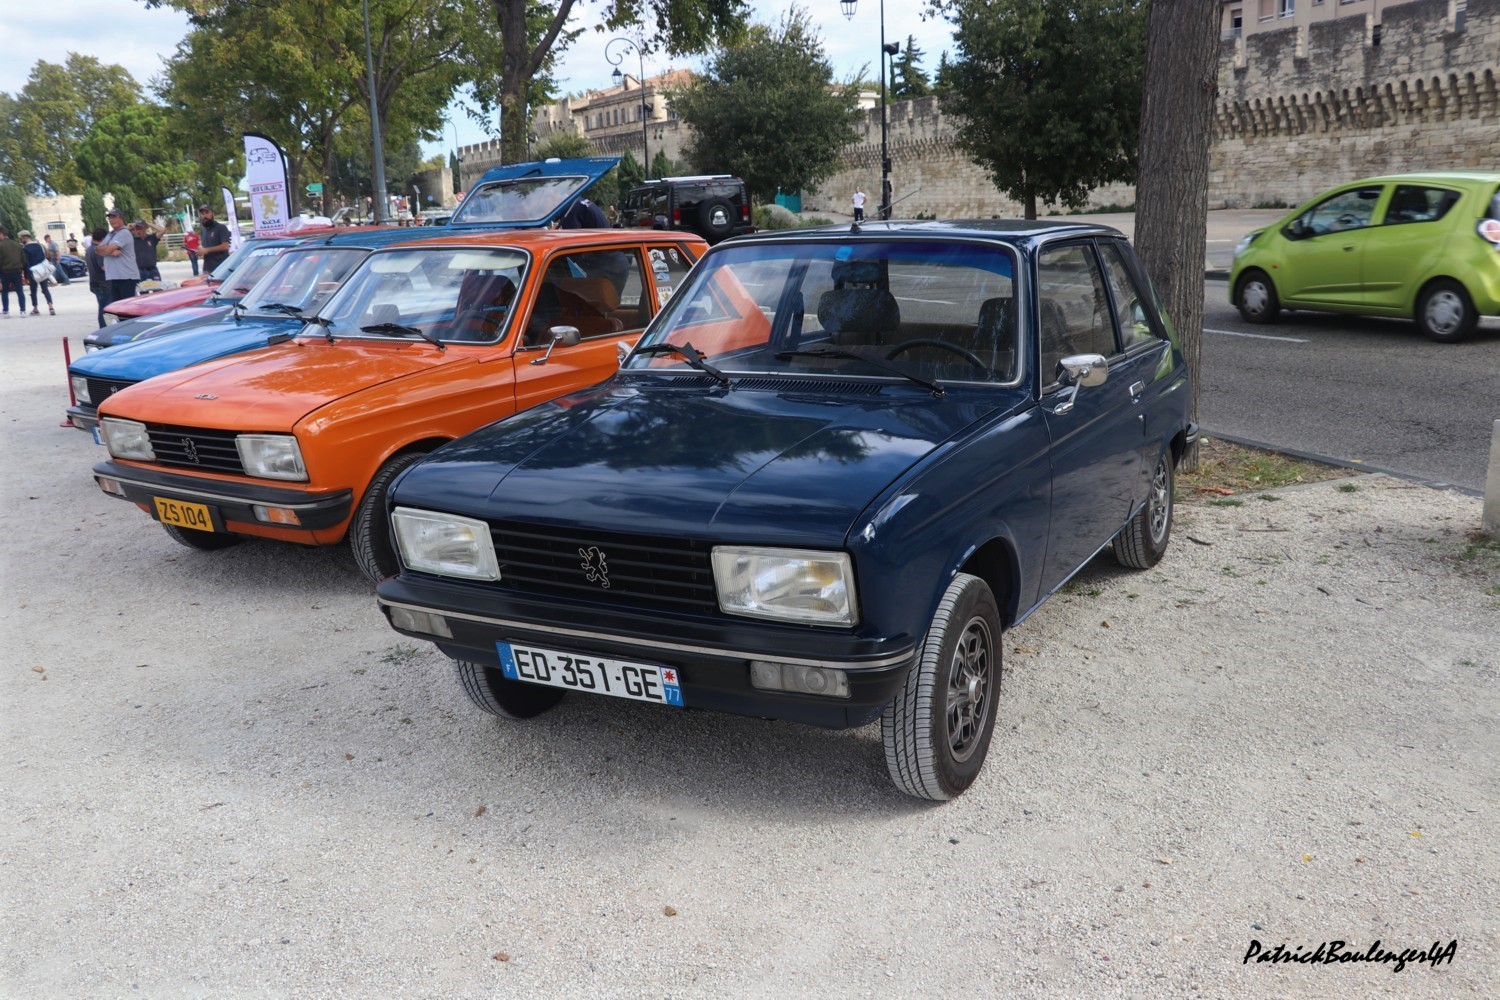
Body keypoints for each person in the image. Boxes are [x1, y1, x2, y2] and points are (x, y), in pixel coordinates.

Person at [94, 207, 139, 305]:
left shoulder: (123, 233)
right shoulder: (111, 234)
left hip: (126, 276)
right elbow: (97, 250)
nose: (111, 220)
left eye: (114, 217)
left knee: (128, 308)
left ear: (121, 218)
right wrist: (111, 252)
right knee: (117, 308)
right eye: (109, 218)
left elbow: (105, 249)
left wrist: (107, 250)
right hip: (114, 276)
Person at [19, 231, 55, 316]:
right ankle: (51, 307)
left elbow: (26, 262)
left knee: (33, 290)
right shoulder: (40, 245)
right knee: (45, 289)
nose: (21, 240)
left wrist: (26, 275)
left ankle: (35, 308)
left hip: (33, 271)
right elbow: (46, 256)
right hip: (43, 270)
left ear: (24, 237)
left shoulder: (25, 248)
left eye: (21, 238)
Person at [197, 205, 232, 274]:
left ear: (212, 213)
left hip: (221, 268)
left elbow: (225, 246)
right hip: (207, 268)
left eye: (207, 212)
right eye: (202, 214)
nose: (205, 216)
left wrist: (207, 250)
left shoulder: (221, 228)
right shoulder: (204, 230)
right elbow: (205, 248)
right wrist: (200, 251)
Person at [85, 226, 108, 328]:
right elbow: (104, 267)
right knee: (104, 308)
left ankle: (103, 328)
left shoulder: (89, 249)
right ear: (103, 238)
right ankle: (103, 329)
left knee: (101, 306)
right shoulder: (98, 250)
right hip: (102, 283)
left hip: (94, 282)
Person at [0, 228, 26, 318]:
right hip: (17, 271)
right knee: (19, 291)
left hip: (5, 272)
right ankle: (23, 311)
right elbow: (24, 259)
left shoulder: (0, 245)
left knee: (5, 291)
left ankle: (6, 311)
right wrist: (22, 269)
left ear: (1, 234)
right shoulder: (17, 244)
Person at [129, 218, 164, 282]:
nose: (138, 231)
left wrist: (148, 224)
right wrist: (129, 227)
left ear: (145, 228)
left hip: (153, 269)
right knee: (143, 290)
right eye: (137, 228)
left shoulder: (152, 238)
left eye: (140, 228)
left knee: (158, 289)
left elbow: (162, 230)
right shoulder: (133, 240)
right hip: (140, 270)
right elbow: (119, 234)